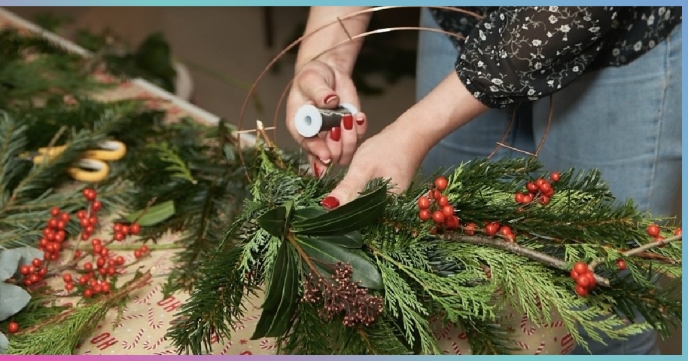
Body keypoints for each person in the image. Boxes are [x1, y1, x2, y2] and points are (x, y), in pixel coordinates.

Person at [285, 6, 682, 355]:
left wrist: (414, 132)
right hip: (464, 21)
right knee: (447, 275)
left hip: (613, 38)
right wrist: (328, 55)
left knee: (603, 320)